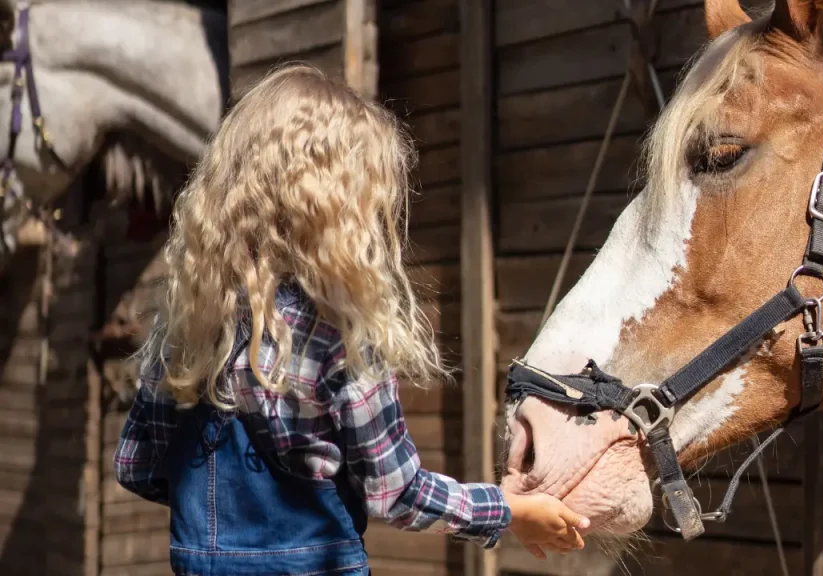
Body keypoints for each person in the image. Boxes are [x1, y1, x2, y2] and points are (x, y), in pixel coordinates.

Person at [113, 64, 589, 576]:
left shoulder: (189, 323)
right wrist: (509, 511)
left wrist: (223, 532)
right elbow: (397, 492)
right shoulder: (336, 335)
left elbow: (136, 467)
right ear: (337, 206)